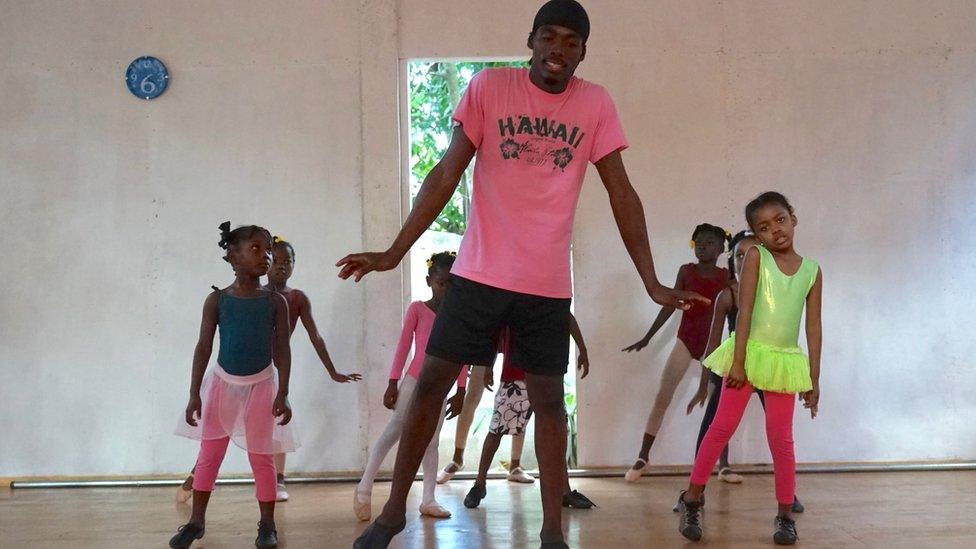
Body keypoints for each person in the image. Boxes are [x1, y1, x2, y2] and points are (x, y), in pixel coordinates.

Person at [338, 2, 707, 546]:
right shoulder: (490, 87)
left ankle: (553, 532)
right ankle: (394, 513)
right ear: (531, 40)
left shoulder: (595, 104)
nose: (559, 49)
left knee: (550, 403)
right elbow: (445, 173)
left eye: (572, 42)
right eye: (549, 37)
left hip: (545, 284)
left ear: (583, 51)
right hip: (479, 274)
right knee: (431, 388)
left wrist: (651, 281)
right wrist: (395, 252)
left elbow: (622, 193)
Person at [675, 192, 823, 546]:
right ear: (757, 234)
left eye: (780, 220)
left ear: (794, 218)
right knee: (721, 426)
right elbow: (745, 311)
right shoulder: (756, 257)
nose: (776, 230)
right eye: (764, 227)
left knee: (781, 439)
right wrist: (738, 360)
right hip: (751, 353)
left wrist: (813, 378)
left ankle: (785, 515)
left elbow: (813, 327)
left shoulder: (812, 271)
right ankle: (692, 498)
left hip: (784, 360)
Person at [175, 236, 361, 504]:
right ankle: (198, 474)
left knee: (274, 428)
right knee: (219, 431)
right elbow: (207, 342)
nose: (282, 266)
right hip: (234, 374)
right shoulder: (248, 296)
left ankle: (278, 479)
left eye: (289, 261)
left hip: (269, 373)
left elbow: (315, 336)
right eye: (277, 259)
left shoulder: (294, 299)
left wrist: (332, 371)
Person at [169, 222, 294, 549]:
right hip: (223, 386)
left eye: (268, 248)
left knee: (261, 457)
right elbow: (203, 348)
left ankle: (267, 525)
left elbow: (282, 349)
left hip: (262, 387)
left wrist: (284, 393)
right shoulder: (218, 300)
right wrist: (194, 393)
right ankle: (196, 522)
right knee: (209, 454)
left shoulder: (274, 302)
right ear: (233, 256)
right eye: (256, 248)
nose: (265, 255)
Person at [353, 252, 469, 521]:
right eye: (442, 283)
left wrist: (461, 388)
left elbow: (462, 354)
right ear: (430, 281)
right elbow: (404, 346)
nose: (447, 289)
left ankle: (428, 499)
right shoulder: (418, 309)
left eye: (453, 284)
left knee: (432, 441)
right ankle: (364, 486)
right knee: (394, 430)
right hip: (414, 381)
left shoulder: (458, 316)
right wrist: (393, 382)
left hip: (441, 387)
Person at [621, 224, 730, 482]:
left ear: (720, 248)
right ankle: (643, 456)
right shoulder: (686, 271)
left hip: (713, 346)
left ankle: (723, 464)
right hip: (686, 340)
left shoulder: (726, 277)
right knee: (663, 394)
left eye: (710, 242)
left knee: (719, 404)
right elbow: (669, 305)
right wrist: (648, 337)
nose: (703, 246)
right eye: (699, 242)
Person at [462, 314, 595, 510]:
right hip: (515, 375)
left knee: (555, 433)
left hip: (547, 374)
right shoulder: (514, 298)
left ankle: (564, 491)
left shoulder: (550, 297)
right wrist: (489, 366)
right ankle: (479, 484)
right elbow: (497, 333)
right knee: (496, 430)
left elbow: (566, 316)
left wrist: (582, 349)